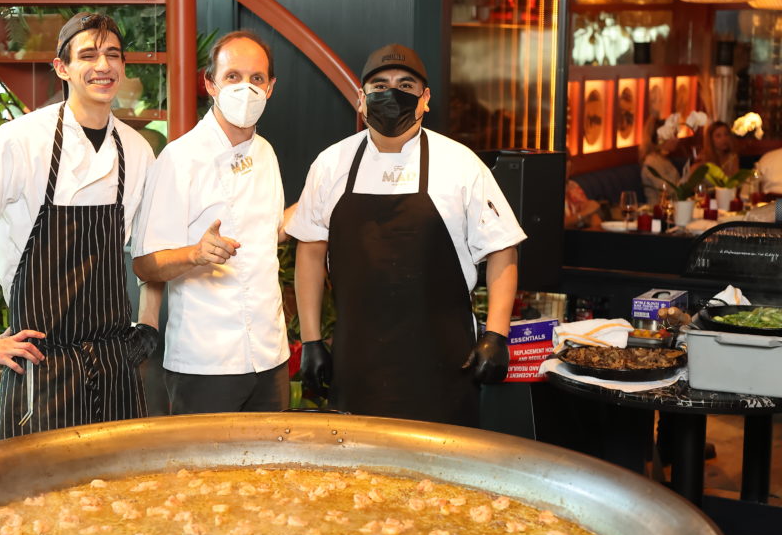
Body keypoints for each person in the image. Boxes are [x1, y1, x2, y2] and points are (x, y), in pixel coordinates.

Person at [0, 13, 160, 439]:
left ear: (124, 68)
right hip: (41, 366)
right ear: (61, 68)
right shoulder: (19, 142)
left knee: (126, 495)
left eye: (113, 55)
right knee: (40, 502)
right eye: (87, 55)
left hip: (114, 365)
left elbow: (150, 255)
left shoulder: (137, 151)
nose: (103, 66)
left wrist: (148, 325)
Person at [286, 43, 526, 427]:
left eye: (405, 85)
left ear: (425, 98)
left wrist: (496, 335)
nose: (391, 93)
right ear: (361, 100)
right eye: (379, 85)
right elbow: (311, 254)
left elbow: (503, 250)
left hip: (444, 364)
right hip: (356, 360)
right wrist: (313, 342)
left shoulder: (460, 164)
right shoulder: (331, 164)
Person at [131, 31, 292, 414]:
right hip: (205, 362)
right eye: (233, 77)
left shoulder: (266, 153)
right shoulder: (180, 158)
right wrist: (196, 254)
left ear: (270, 88)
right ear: (210, 84)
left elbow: (268, 235)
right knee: (202, 475)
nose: (245, 89)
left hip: (270, 356)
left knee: (272, 472)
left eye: (256, 79)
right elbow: (145, 262)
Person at [640, 116, 681, 205]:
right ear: (661, 138)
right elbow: (669, 192)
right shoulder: (651, 162)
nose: (677, 140)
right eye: (673, 136)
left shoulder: (664, 159)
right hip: (658, 212)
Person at [564, 160, 602, 229]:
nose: (568, 164)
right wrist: (583, 214)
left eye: (568, 160)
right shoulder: (546, 190)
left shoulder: (573, 185)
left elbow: (590, 212)